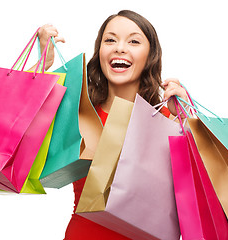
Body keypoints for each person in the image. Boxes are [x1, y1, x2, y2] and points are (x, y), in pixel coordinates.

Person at [36, 10, 188, 240]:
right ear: (100, 52)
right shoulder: (79, 114)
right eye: (110, 39)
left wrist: (188, 123)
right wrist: (41, 69)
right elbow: (18, 140)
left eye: (134, 41)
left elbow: (199, 197)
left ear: (150, 56)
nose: (119, 47)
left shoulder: (169, 122)